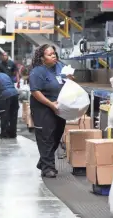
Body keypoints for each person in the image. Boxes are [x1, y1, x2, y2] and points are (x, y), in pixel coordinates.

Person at [29, 44, 68, 178]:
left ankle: (43, 161)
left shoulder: (60, 67)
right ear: (42, 58)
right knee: (46, 137)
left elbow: (67, 81)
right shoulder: (37, 72)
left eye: (54, 54)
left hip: (59, 107)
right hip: (43, 107)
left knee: (57, 135)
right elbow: (35, 92)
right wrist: (51, 104)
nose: (53, 56)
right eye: (49, 54)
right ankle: (48, 168)